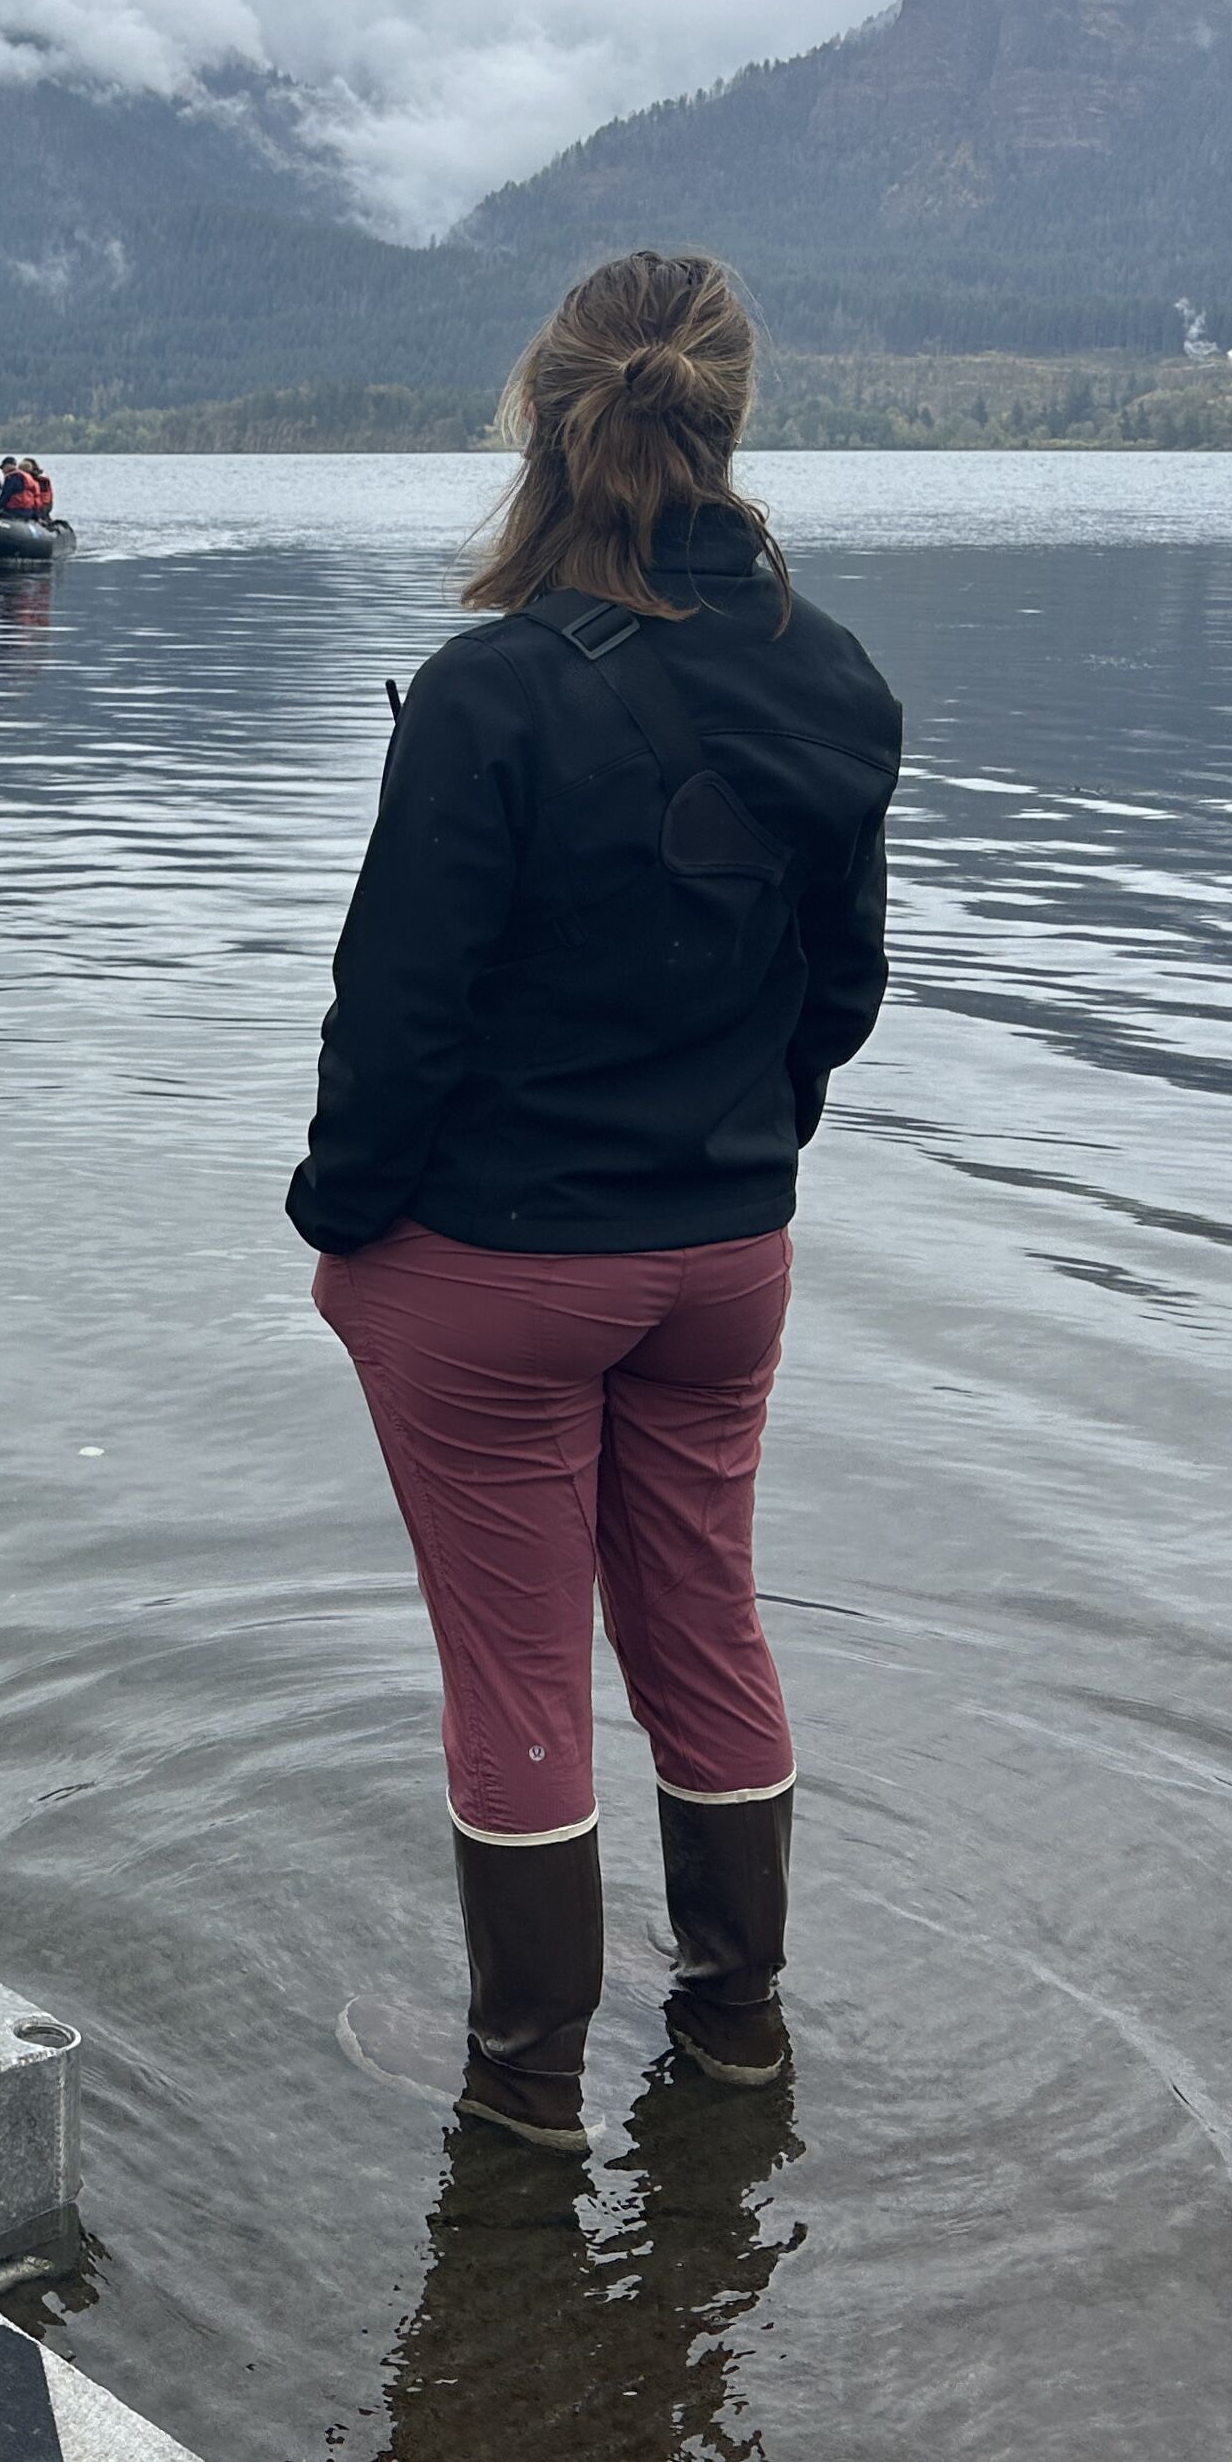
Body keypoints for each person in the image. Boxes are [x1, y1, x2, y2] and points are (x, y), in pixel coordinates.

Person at [293, 248, 900, 2153]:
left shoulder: (489, 692)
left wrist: (340, 1224)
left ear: (544, 415)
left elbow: (396, 1013)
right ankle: (732, 2032)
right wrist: (738, 1157)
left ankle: (523, 2094)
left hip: (493, 1265)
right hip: (723, 1254)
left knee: (517, 1681)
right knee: (705, 1627)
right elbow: (840, 991)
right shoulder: (833, 672)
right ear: (730, 408)